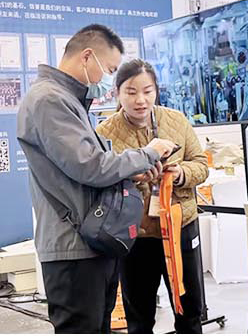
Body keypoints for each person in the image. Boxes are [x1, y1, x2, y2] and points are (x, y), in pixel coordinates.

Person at [17, 26, 177, 334]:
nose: (108, 80)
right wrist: (147, 154)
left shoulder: (68, 100)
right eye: (111, 70)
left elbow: (84, 166)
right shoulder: (49, 100)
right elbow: (89, 166)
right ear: (87, 57)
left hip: (90, 244)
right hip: (73, 250)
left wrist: (132, 170)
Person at [97, 60, 209, 334]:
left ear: (156, 91)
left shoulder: (176, 120)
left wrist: (180, 174)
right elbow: (98, 180)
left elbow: (201, 164)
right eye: (131, 92)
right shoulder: (105, 133)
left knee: (190, 311)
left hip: (180, 227)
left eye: (147, 91)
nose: (140, 100)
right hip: (134, 235)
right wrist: (131, 176)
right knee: (139, 316)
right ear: (117, 92)